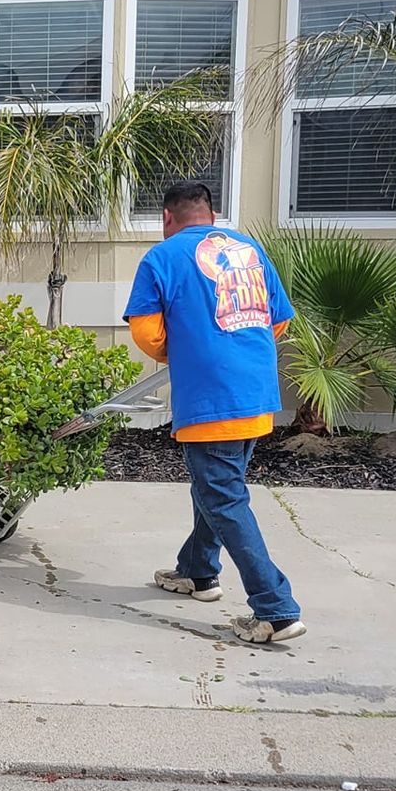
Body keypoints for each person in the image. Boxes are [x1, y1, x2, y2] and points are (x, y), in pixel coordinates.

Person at [122, 179, 305, 643]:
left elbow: (145, 332)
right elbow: (278, 319)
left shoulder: (161, 257)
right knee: (217, 488)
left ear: (167, 217)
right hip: (256, 396)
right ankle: (197, 571)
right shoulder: (249, 249)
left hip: (210, 400)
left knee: (223, 498)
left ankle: (275, 608)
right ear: (211, 213)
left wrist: (181, 353)